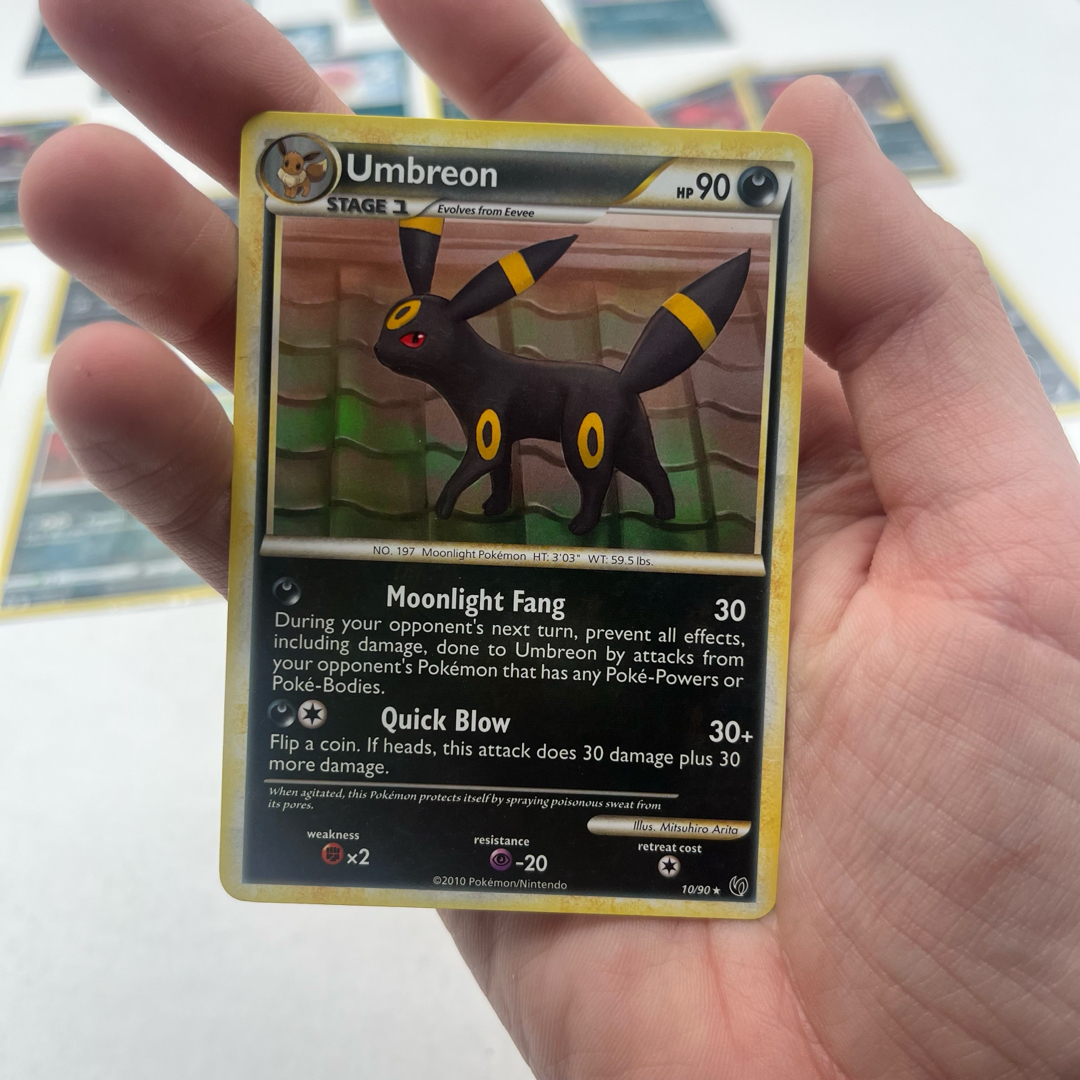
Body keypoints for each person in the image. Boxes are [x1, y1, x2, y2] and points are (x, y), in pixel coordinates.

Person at [20, 1, 1080, 1076]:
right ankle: (641, 499)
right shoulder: (470, 377)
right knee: (631, 461)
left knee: (602, 462)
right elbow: (490, 444)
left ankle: (612, 508)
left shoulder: (494, 388)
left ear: (445, 337)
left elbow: (491, 446)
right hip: (591, 445)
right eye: (401, 338)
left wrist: (485, 497)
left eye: (411, 338)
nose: (400, 349)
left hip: (589, 412)